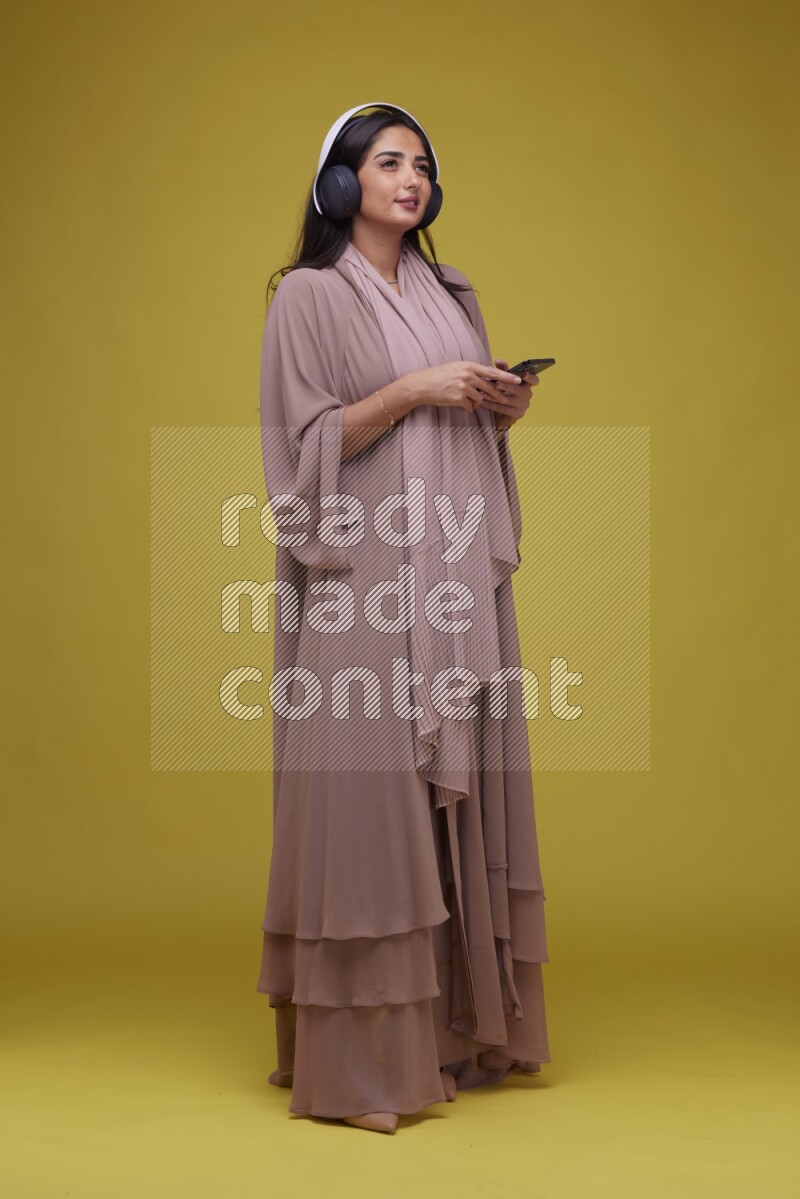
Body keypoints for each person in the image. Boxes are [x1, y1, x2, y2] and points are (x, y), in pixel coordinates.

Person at [255, 102, 551, 1134]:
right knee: (367, 796)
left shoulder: (447, 289)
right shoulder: (305, 297)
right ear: (341, 181)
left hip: (450, 567)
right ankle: (364, 1059)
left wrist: (493, 401)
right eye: (388, 162)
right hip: (364, 567)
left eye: (422, 164)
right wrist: (412, 388)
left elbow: (454, 412)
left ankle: (450, 1029)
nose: (411, 178)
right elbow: (302, 444)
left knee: (451, 787)